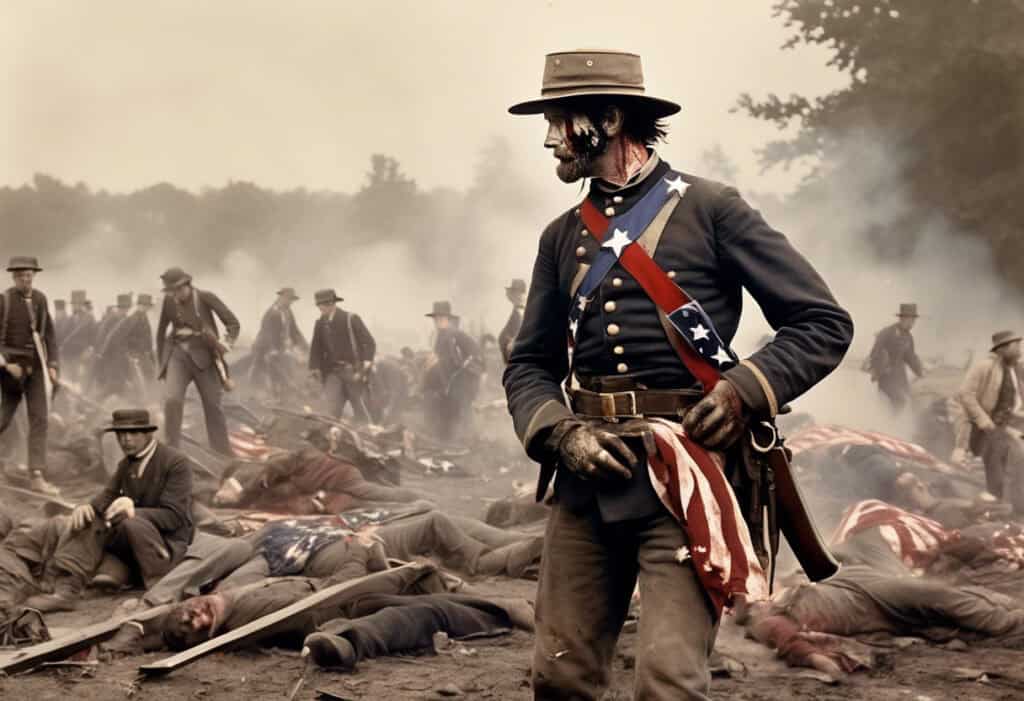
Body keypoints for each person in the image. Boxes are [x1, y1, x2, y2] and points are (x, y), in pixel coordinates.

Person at [504, 50, 854, 700]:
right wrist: (559, 434)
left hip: (687, 477)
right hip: (587, 481)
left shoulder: (712, 209)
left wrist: (746, 389)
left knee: (668, 682)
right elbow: (529, 364)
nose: (550, 137)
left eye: (560, 119)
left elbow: (822, 321)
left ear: (607, 120)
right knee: (559, 676)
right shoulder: (560, 237)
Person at [156, 267, 240, 455]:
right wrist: (162, 364)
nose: (175, 295)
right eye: (171, 291)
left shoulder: (205, 297)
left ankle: (221, 452)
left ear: (187, 285)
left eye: (178, 290)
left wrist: (227, 343)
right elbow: (161, 332)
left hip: (204, 357)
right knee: (172, 400)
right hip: (177, 356)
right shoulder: (169, 301)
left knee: (212, 405)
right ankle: (171, 451)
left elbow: (233, 323)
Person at [0, 256, 61, 496]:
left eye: (30, 275)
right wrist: (6, 365)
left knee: (40, 419)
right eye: (22, 275)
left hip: (36, 368)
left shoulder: (40, 299)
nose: (26, 279)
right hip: (12, 371)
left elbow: (50, 336)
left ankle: (36, 474)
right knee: (4, 418)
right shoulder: (3, 301)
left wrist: (53, 365)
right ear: (14, 277)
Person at [958, 330, 1024, 510]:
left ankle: (1014, 507)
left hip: (1010, 425)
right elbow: (965, 394)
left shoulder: (1015, 368)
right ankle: (1004, 509)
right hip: (989, 428)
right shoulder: (985, 367)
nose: (1020, 350)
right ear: (1002, 348)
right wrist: (984, 421)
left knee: (1017, 466)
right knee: (1003, 469)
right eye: (1016, 346)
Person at [309, 288, 376, 423]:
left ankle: (367, 437)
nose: (320, 308)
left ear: (331, 304)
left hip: (353, 371)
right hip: (332, 373)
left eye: (322, 305)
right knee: (330, 409)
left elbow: (369, 342)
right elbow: (315, 347)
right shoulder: (320, 323)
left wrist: (366, 363)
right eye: (319, 305)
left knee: (361, 409)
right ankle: (331, 437)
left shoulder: (350, 319)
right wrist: (314, 367)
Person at [424, 301, 483, 443]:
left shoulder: (456, 334)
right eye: (436, 319)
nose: (438, 321)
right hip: (448, 384)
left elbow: (475, 350)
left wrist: (465, 365)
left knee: (463, 413)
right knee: (450, 415)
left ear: (448, 319)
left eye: (442, 318)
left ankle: (473, 443)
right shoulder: (439, 336)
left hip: (460, 383)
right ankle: (451, 443)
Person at [250, 287, 308, 396]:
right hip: (264, 346)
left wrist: (304, 345)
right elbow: (267, 332)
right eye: (288, 299)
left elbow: (294, 330)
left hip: (279, 347)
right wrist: (272, 349)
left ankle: (283, 393)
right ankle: (259, 392)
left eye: (291, 300)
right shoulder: (272, 312)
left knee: (285, 368)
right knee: (264, 370)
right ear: (281, 298)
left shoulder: (288, 311)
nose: (290, 302)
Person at [865, 303, 924, 411]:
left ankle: (897, 424)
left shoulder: (908, 337)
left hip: (900, 377)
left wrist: (920, 372)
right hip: (886, 377)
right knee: (898, 401)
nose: (912, 323)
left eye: (913, 320)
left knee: (911, 400)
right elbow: (875, 352)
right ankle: (888, 424)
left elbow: (910, 358)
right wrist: (880, 369)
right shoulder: (887, 332)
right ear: (902, 318)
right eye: (910, 320)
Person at [59, 289, 97, 383]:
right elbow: (63, 335)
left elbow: (93, 338)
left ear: (81, 305)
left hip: (81, 354)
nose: (73, 306)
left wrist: (89, 350)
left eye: (75, 304)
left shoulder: (89, 319)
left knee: (78, 379)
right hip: (68, 354)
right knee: (68, 378)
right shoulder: (70, 318)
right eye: (73, 304)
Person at [499, 279, 527, 364]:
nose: (509, 296)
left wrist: (509, 340)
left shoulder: (520, 312)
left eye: (512, 293)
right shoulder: (516, 311)